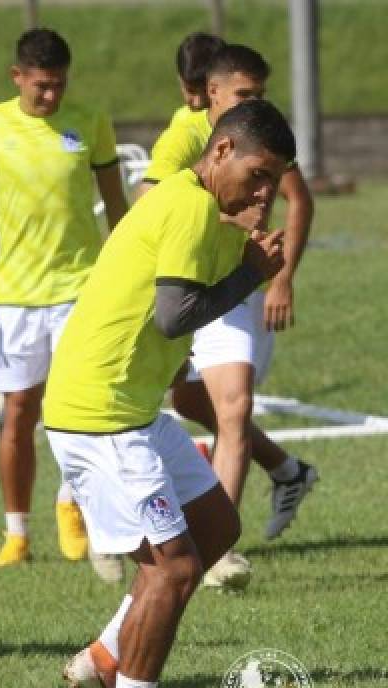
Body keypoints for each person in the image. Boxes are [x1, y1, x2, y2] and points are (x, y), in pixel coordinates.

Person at [50, 99, 295, 688]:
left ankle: (104, 655)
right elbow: (172, 314)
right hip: (101, 415)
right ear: (220, 153)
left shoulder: (209, 212)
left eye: (274, 180)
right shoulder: (187, 206)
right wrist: (252, 275)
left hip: (132, 411)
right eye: (257, 173)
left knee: (217, 523)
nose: (264, 191)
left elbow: (165, 312)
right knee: (175, 570)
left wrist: (243, 256)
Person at [0, 28, 128, 572]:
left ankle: (74, 506)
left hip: (82, 288)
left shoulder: (91, 121)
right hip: (17, 296)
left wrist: (130, 278)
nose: (51, 97)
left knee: (80, 410)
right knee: (18, 412)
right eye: (41, 86)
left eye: (59, 86)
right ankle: (16, 534)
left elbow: (117, 207)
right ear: (17, 77)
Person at [140, 44, 318, 588]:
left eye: (260, 93)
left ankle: (219, 550)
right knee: (193, 402)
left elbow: (299, 198)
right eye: (245, 93)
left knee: (234, 408)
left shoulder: (262, 135)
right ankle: (288, 471)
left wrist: (283, 275)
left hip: (241, 288)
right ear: (211, 94)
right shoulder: (183, 137)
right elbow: (149, 198)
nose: (256, 101)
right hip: (191, 284)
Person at [173, 32, 227, 113]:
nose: (199, 103)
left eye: (208, 91)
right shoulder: (182, 121)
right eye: (191, 91)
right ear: (179, 80)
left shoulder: (239, 120)